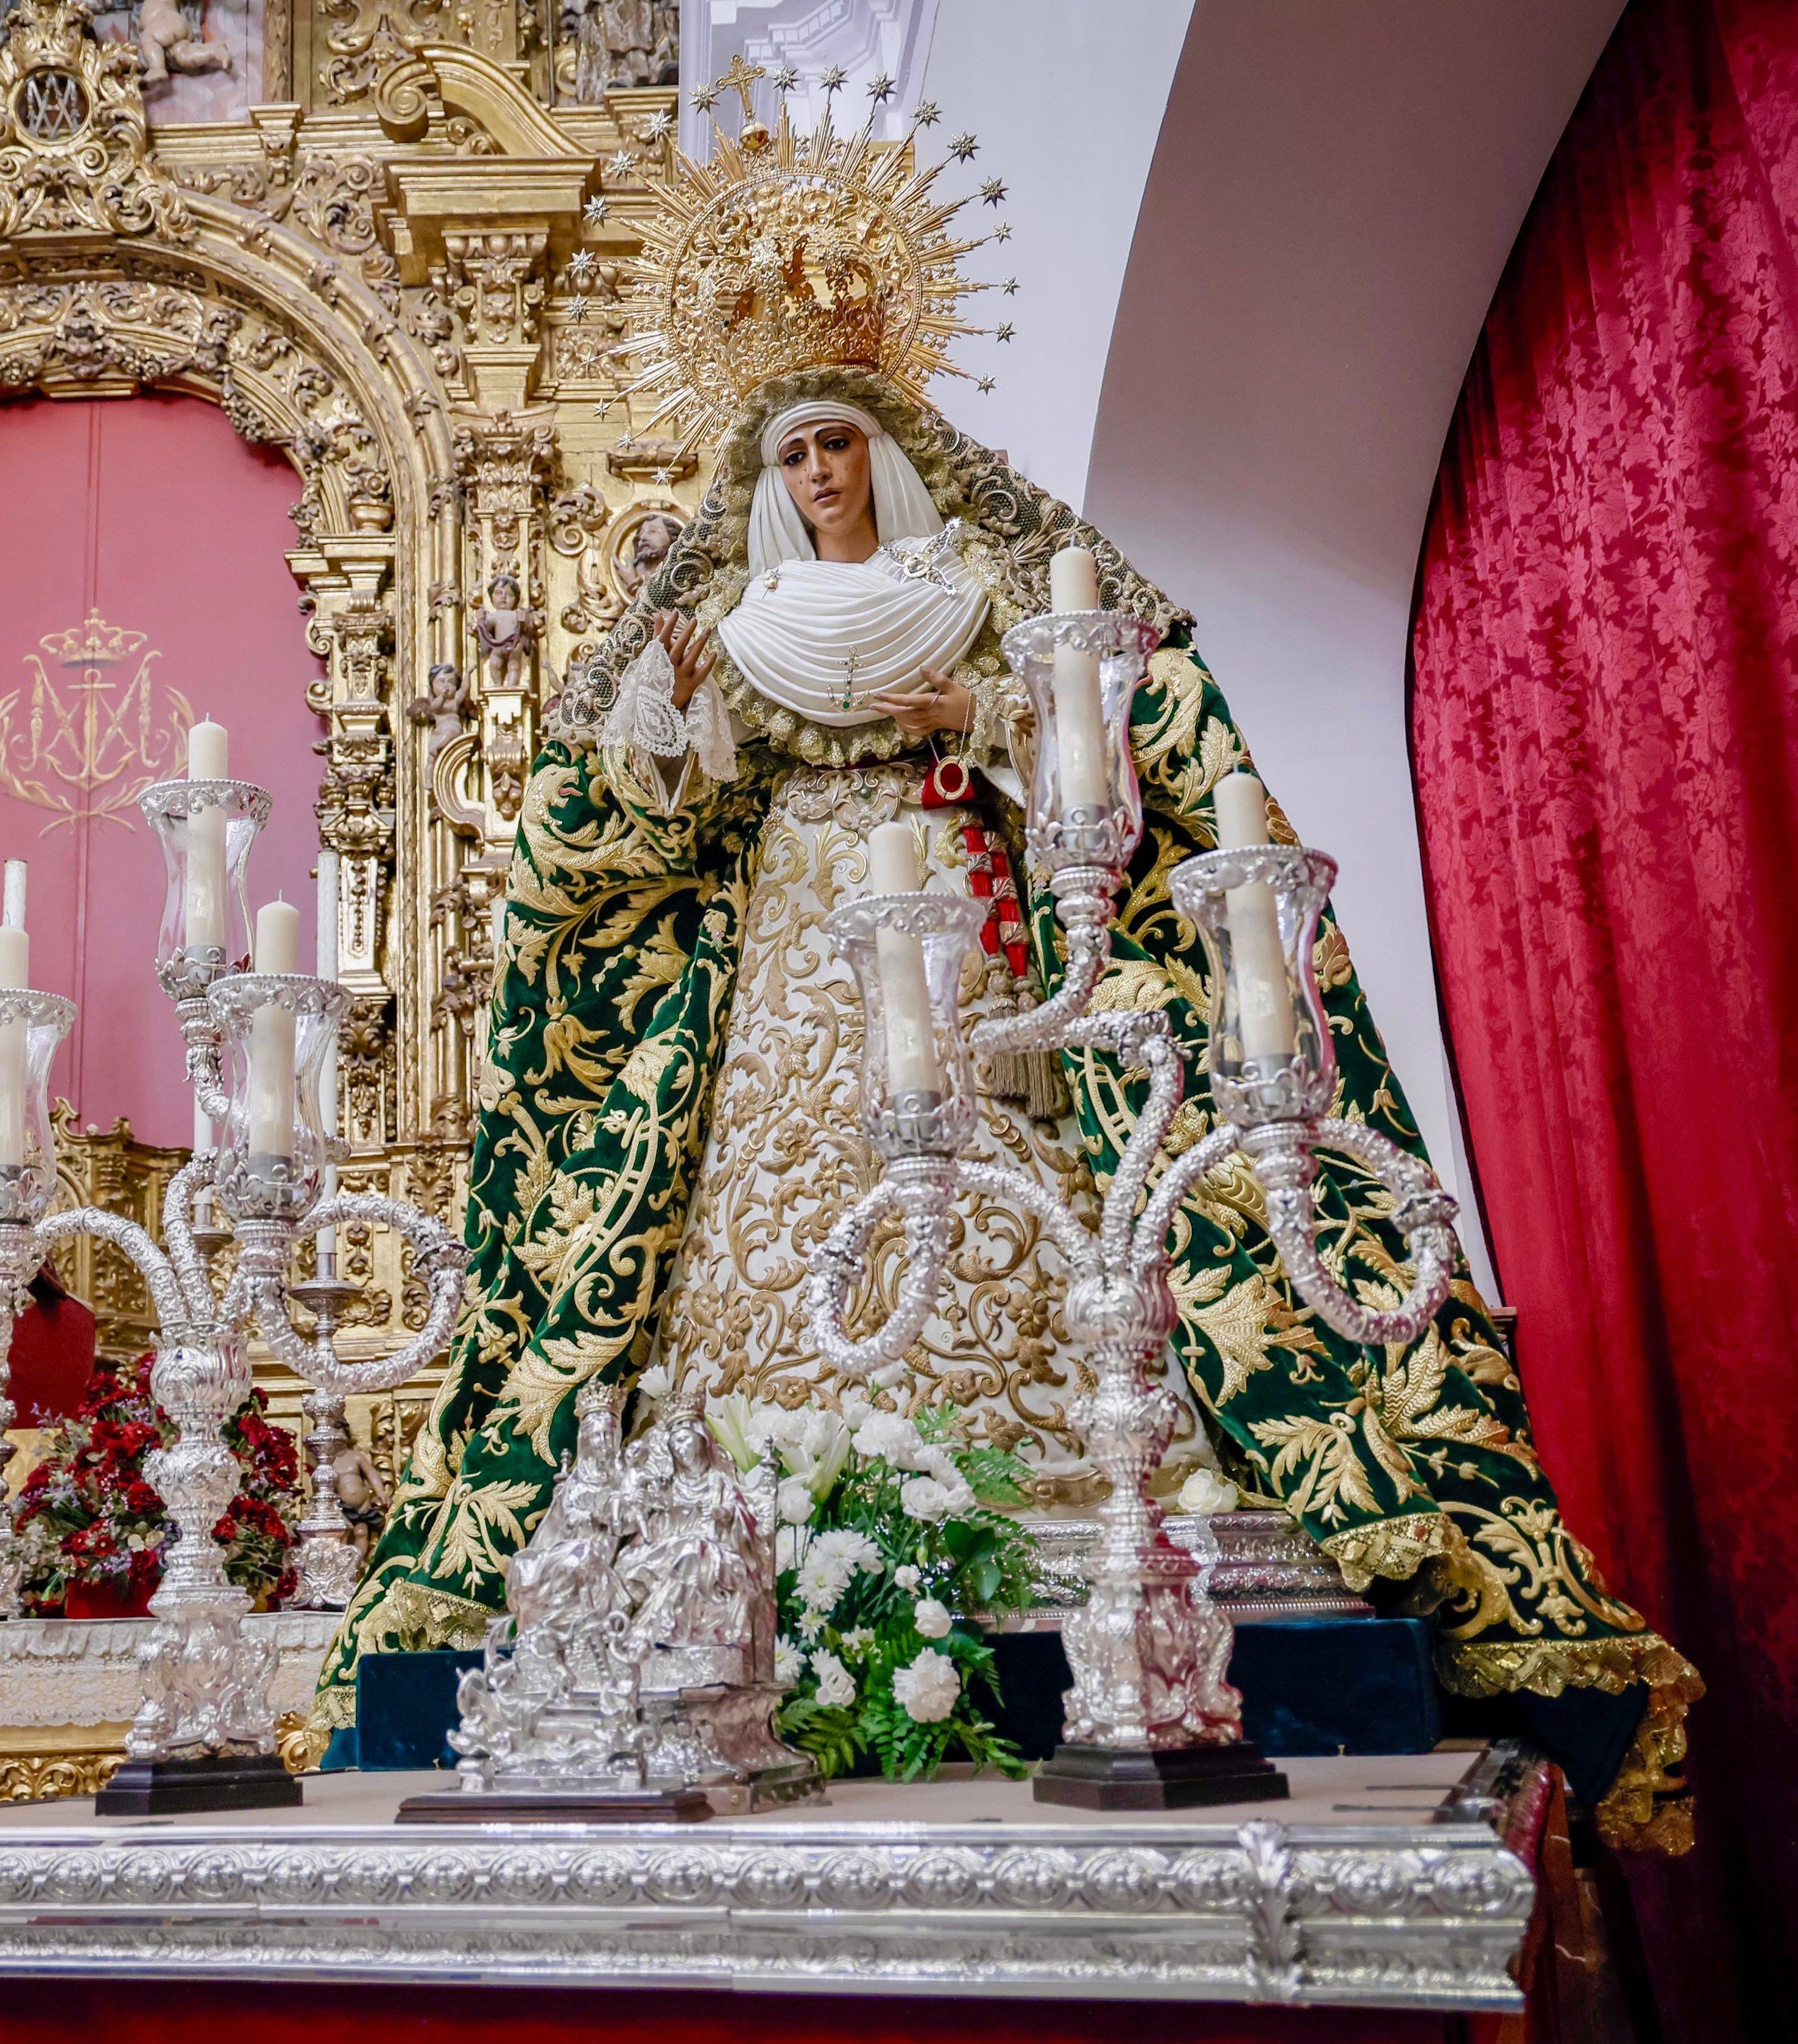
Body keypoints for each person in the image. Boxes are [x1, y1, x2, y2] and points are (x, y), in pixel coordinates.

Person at [321, 88, 1695, 1850]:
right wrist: (668, 723)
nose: (815, 477)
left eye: (837, 447)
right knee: (780, 1220)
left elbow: (1167, 755)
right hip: (793, 969)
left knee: (1014, 1195)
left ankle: (1073, 1485)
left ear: (886, 449)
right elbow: (618, 841)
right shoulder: (726, 621)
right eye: (789, 455)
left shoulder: (995, 584)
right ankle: (773, 1521)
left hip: (977, 947)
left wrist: (1002, 711)